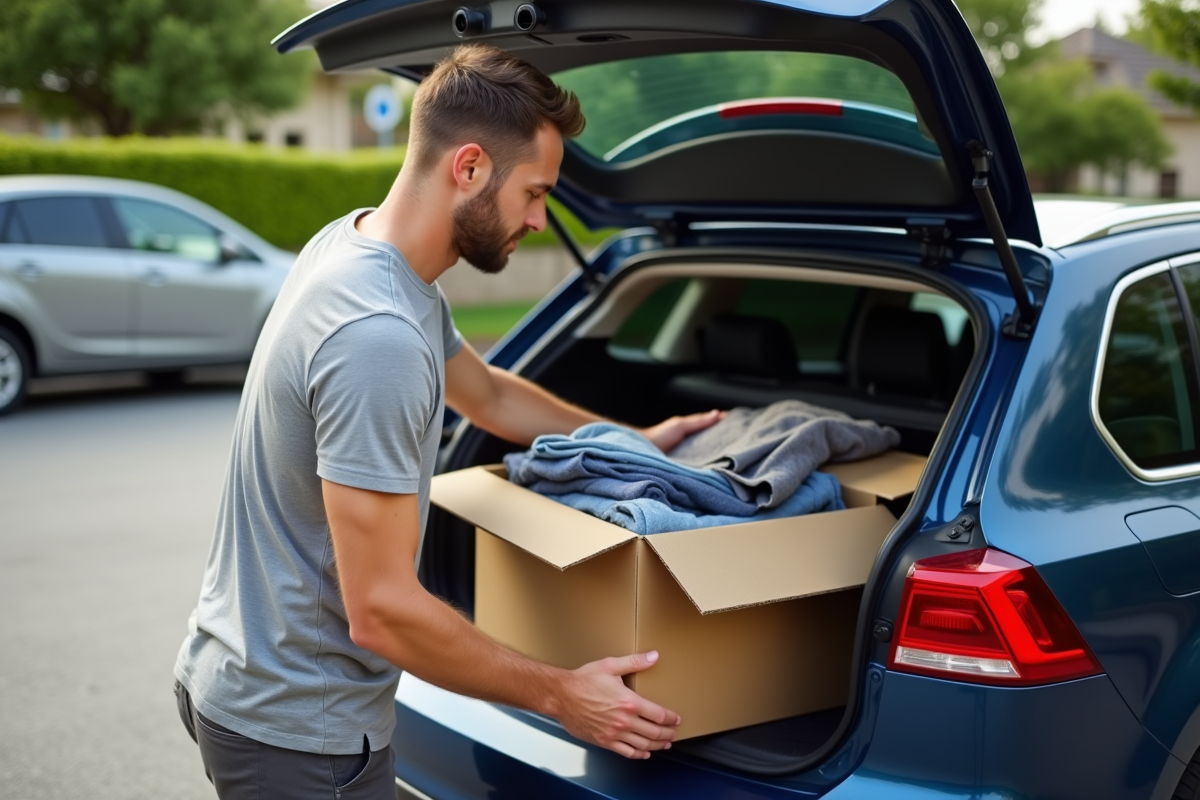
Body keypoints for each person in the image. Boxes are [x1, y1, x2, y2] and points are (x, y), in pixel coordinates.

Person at [173, 43, 724, 799]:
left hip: (240, 671)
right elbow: (382, 612)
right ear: (468, 168)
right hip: (303, 729)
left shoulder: (360, 248)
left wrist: (630, 445)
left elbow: (491, 397)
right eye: (534, 193)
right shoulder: (379, 335)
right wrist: (564, 695)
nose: (538, 220)